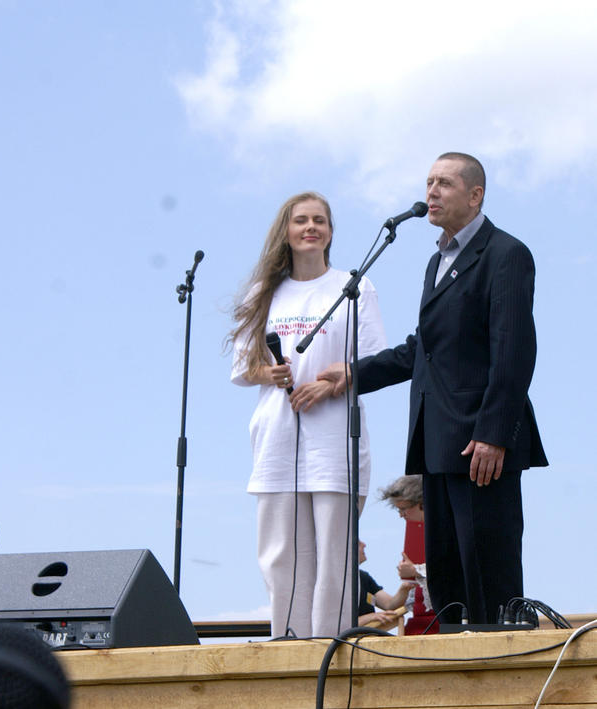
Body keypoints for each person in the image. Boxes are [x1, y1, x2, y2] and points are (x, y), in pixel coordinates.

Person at [319, 154, 548, 624]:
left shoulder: (505, 254)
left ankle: (496, 663)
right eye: (428, 182)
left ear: (475, 195)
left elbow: (514, 351)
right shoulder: (436, 262)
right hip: (438, 443)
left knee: (488, 576)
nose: (431, 192)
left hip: (481, 445)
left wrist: (493, 433)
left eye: (444, 183)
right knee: (447, 577)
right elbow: (423, 350)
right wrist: (354, 373)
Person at [230, 192, 387, 637]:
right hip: (277, 438)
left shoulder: (354, 287)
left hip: (335, 439)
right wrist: (271, 373)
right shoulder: (263, 293)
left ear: (331, 232)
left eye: (320, 220)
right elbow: (243, 367)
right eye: (301, 220)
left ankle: (329, 650)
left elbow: (374, 359)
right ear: (286, 231)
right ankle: (288, 648)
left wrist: (330, 384)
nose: (311, 227)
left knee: (333, 555)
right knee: (281, 555)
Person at [378, 475, 437, 634]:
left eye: (403, 509)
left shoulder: (446, 528)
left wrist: (415, 570)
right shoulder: (416, 534)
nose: (401, 514)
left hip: (444, 619)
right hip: (420, 619)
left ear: (421, 503)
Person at [357, 540, 414, 628]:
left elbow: (389, 605)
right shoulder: (334, 582)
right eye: (357, 543)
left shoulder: (363, 577)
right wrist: (368, 617)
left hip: (368, 635)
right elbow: (336, 623)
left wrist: (405, 589)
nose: (364, 544)